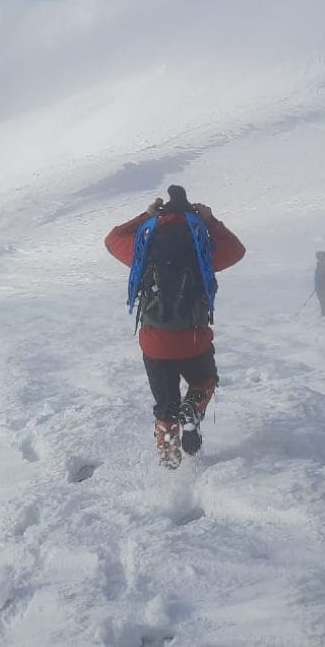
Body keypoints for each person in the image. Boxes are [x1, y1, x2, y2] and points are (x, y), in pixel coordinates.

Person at [105, 185, 246, 469]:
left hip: (155, 343)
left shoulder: (144, 246)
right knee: (204, 381)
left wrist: (144, 217)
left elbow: (111, 240)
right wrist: (210, 220)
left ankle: (170, 464)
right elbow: (236, 251)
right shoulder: (201, 245)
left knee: (165, 407)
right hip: (194, 339)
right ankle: (193, 405)